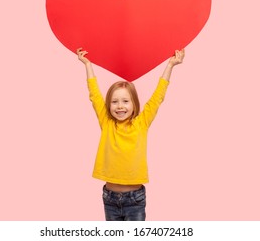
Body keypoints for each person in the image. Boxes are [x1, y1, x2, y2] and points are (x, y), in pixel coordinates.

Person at [77, 47, 185, 221]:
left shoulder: (141, 123)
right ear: (108, 105)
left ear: (134, 104)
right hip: (110, 199)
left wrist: (170, 65)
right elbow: (94, 95)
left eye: (125, 101)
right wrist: (87, 65)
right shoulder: (107, 123)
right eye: (114, 102)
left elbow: (158, 97)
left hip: (135, 200)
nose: (120, 106)